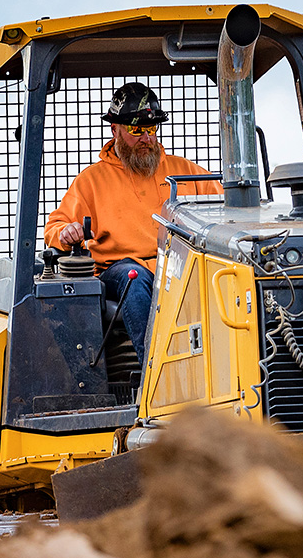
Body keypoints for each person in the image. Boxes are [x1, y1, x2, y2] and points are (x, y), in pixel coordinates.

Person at [44, 82, 218, 368]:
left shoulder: (184, 171)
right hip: (121, 270)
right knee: (133, 277)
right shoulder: (92, 181)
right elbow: (56, 226)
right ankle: (155, 375)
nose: (147, 138)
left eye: (152, 130)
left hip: (179, 267)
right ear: (115, 130)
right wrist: (66, 232)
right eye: (137, 131)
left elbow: (227, 207)